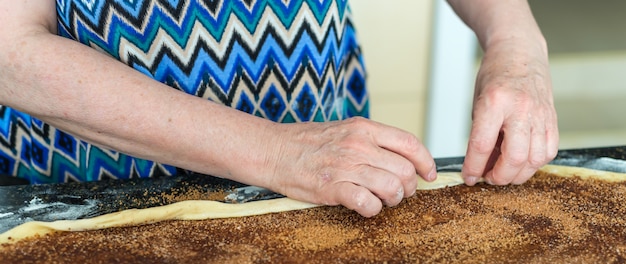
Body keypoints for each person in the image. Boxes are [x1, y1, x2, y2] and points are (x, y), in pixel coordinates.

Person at [0, 0, 558, 218]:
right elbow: (10, 48)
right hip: (98, 187)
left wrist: (515, 45)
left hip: (319, 170)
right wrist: (274, 151)